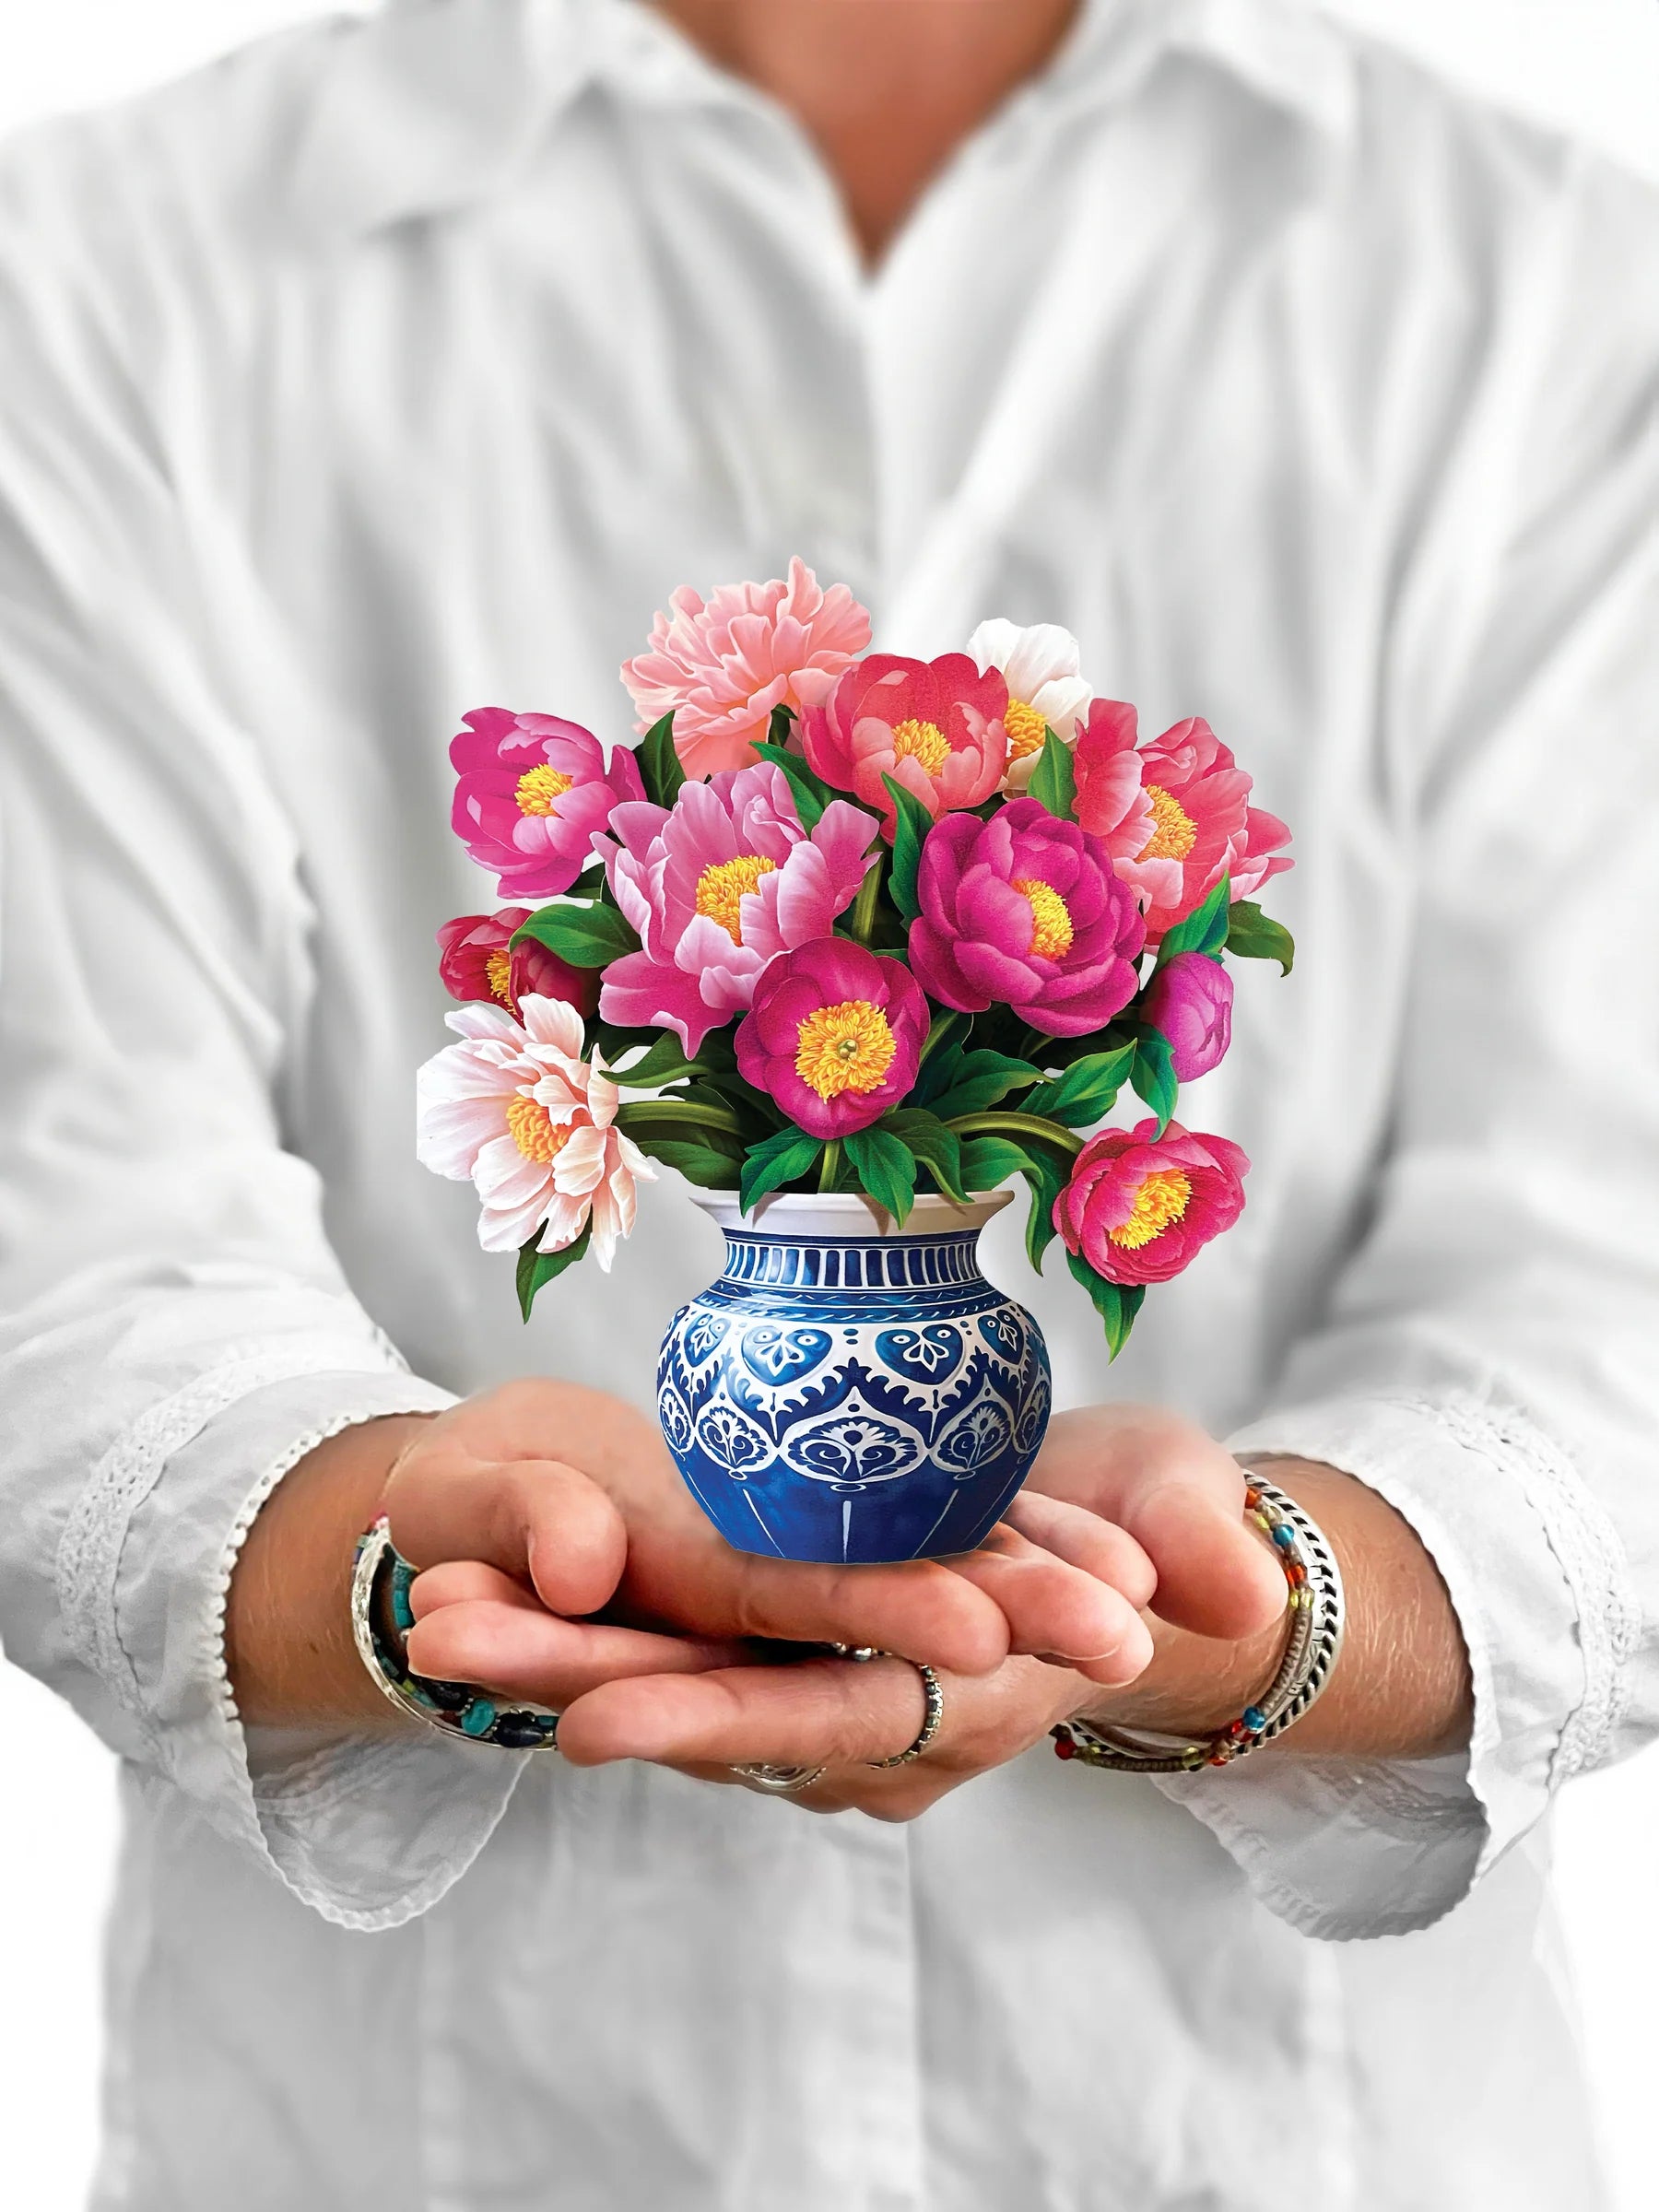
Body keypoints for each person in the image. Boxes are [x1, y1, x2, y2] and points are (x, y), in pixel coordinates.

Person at [0, 0, 1654, 2204]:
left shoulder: (1548, 289)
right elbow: (65, 1227)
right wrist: (406, 1568)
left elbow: (1609, 1263)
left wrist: (1268, 1616)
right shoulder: (108, 265)